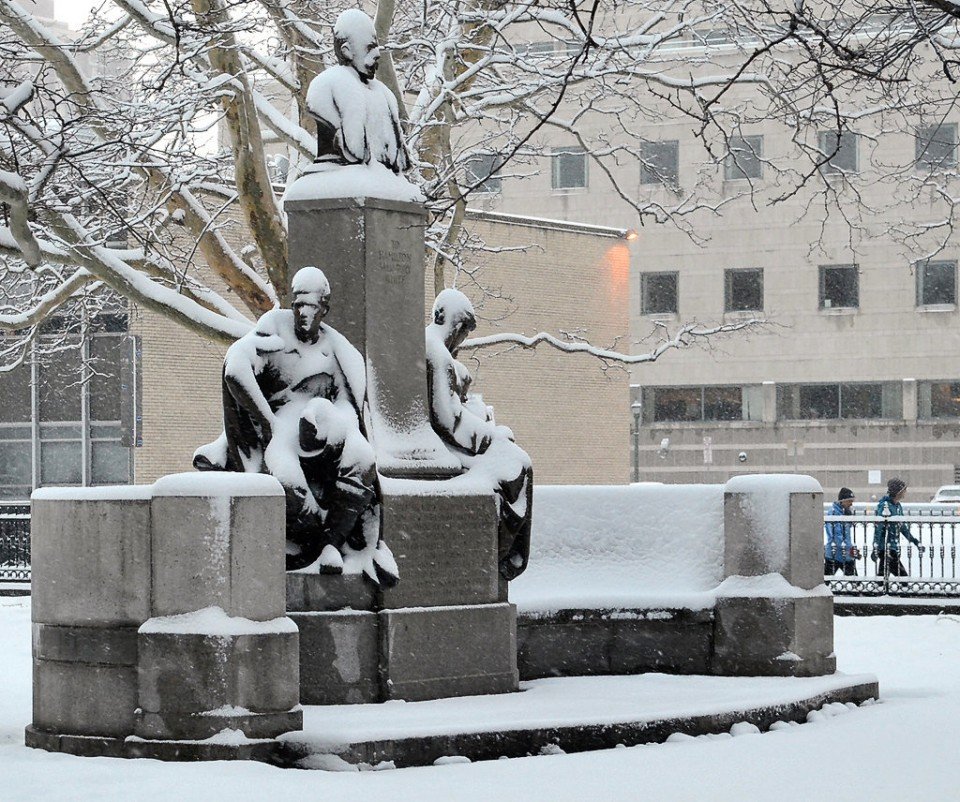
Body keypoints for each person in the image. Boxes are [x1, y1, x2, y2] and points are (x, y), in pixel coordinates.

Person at [194, 266, 398, 586]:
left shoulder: (335, 349)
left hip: (326, 425)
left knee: (363, 461)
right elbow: (235, 370)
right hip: (283, 430)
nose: (304, 314)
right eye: (299, 306)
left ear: (325, 310)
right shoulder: (273, 333)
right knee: (287, 487)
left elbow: (347, 401)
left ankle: (332, 542)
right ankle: (317, 539)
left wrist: (336, 424)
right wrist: (269, 422)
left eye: (312, 307)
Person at [425, 289, 533, 581]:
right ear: (451, 323)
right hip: (450, 448)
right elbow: (448, 420)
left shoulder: (438, 353)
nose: (461, 340)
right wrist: (490, 438)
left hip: (449, 443)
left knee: (516, 460)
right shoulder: (437, 355)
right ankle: (508, 557)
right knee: (519, 465)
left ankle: (506, 553)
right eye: (461, 331)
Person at [305, 9, 409, 173]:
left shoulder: (385, 94)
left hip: (383, 183)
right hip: (345, 180)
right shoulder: (325, 86)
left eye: (376, 48)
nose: (377, 55)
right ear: (347, 51)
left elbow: (402, 161)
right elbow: (355, 148)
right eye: (369, 48)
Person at [873, 477, 922, 577]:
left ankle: (879, 590)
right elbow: (878, 528)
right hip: (886, 547)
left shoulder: (898, 506)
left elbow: (902, 527)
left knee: (882, 578)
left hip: (892, 547)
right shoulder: (885, 506)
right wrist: (876, 547)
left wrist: (914, 540)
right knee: (902, 577)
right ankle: (904, 589)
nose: (905, 492)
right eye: (904, 490)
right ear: (898, 491)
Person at [825, 487, 859, 575]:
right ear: (842, 501)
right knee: (825, 581)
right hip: (835, 553)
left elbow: (845, 534)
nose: (851, 504)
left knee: (855, 582)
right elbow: (836, 535)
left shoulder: (844, 512)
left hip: (843, 554)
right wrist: (849, 549)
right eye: (849, 501)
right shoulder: (833, 513)